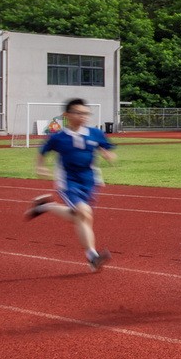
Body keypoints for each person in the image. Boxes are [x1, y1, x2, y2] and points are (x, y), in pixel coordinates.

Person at [25, 97, 117, 272]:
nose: (82, 116)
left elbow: (104, 146)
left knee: (80, 217)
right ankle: (92, 256)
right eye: (78, 113)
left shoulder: (94, 133)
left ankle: (45, 207)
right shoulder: (59, 137)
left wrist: (107, 154)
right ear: (67, 114)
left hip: (90, 182)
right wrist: (40, 167)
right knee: (84, 213)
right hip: (68, 182)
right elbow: (42, 151)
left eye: (85, 113)